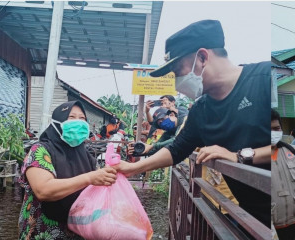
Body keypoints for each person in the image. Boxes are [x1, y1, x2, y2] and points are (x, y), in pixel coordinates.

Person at [114, 19, 271, 227]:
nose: (177, 83)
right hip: (252, 218)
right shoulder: (201, 110)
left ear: (203, 57)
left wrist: (239, 156)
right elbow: (177, 149)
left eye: (178, 72)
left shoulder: (265, 79)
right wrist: (132, 169)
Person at [18, 101, 117, 239]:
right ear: (58, 122)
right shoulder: (40, 150)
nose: (78, 122)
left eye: (82, 119)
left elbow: (99, 184)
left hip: (79, 231)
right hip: (44, 232)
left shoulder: (86, 155)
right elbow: (43, 190)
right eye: (71, 117)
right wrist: (89, 178)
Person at [271, 109, 295, 239]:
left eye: (276, 128)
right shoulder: (254, 156)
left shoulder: (291, 151)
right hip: (271, 228)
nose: (273, 133)